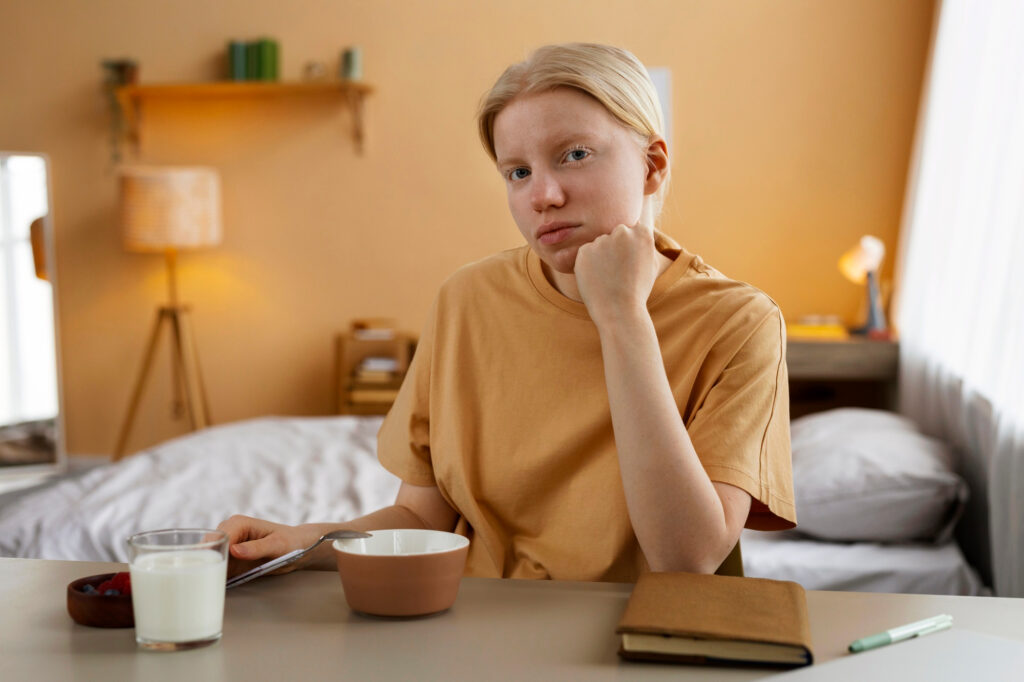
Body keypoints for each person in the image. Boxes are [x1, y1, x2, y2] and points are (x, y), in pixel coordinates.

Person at [219, 43, 796, 583]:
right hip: (476, 631)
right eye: (517, 172)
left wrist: (621, 315)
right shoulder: (467, 300)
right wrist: (302, 542)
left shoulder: (740, 323)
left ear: (651, 165)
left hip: (639, 642)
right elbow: (423, 522)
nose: (542, 194)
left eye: (574, 155)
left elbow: (686, 558)